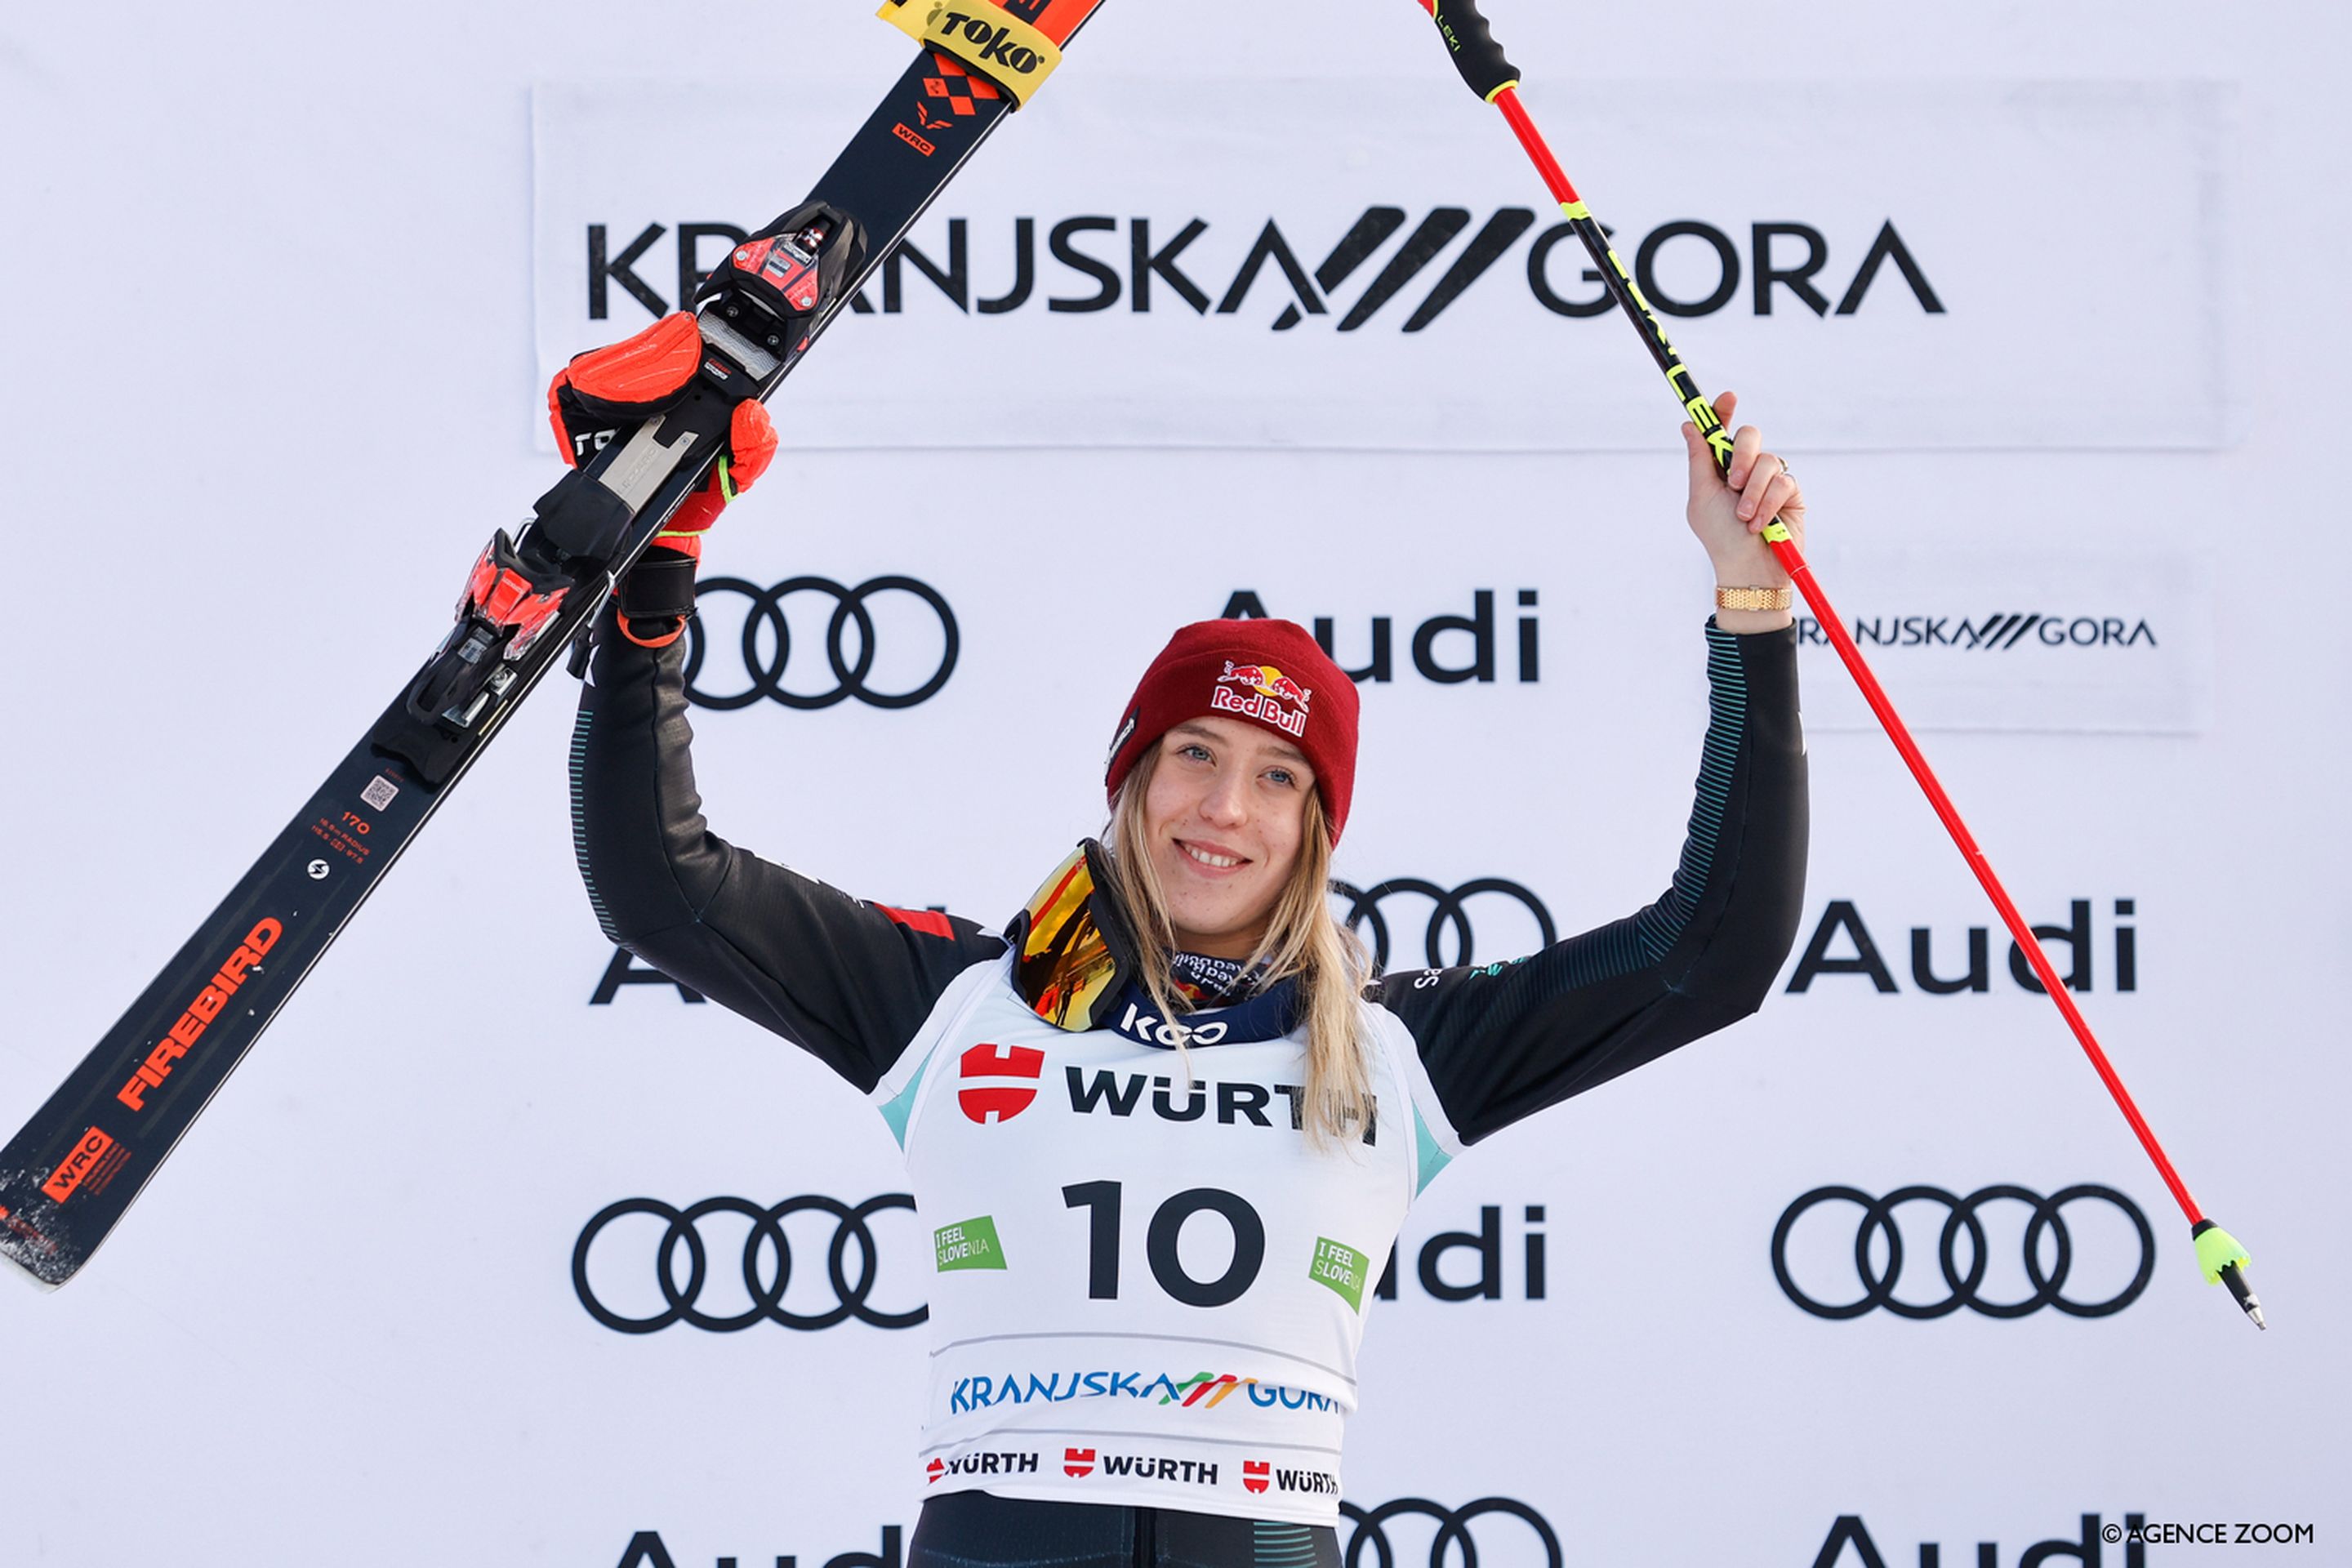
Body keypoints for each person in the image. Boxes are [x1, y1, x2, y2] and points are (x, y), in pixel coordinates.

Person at [559, 315, 1809, 1567]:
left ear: (1316, 828)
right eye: (1195, 756)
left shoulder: (1393, 1053)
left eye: (1278, 779)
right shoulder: (956, 1004)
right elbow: (664, 890)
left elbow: (1716, 950)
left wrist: (1750, 600)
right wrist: (658, 570)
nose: (1223, 810)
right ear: (1133, 780)